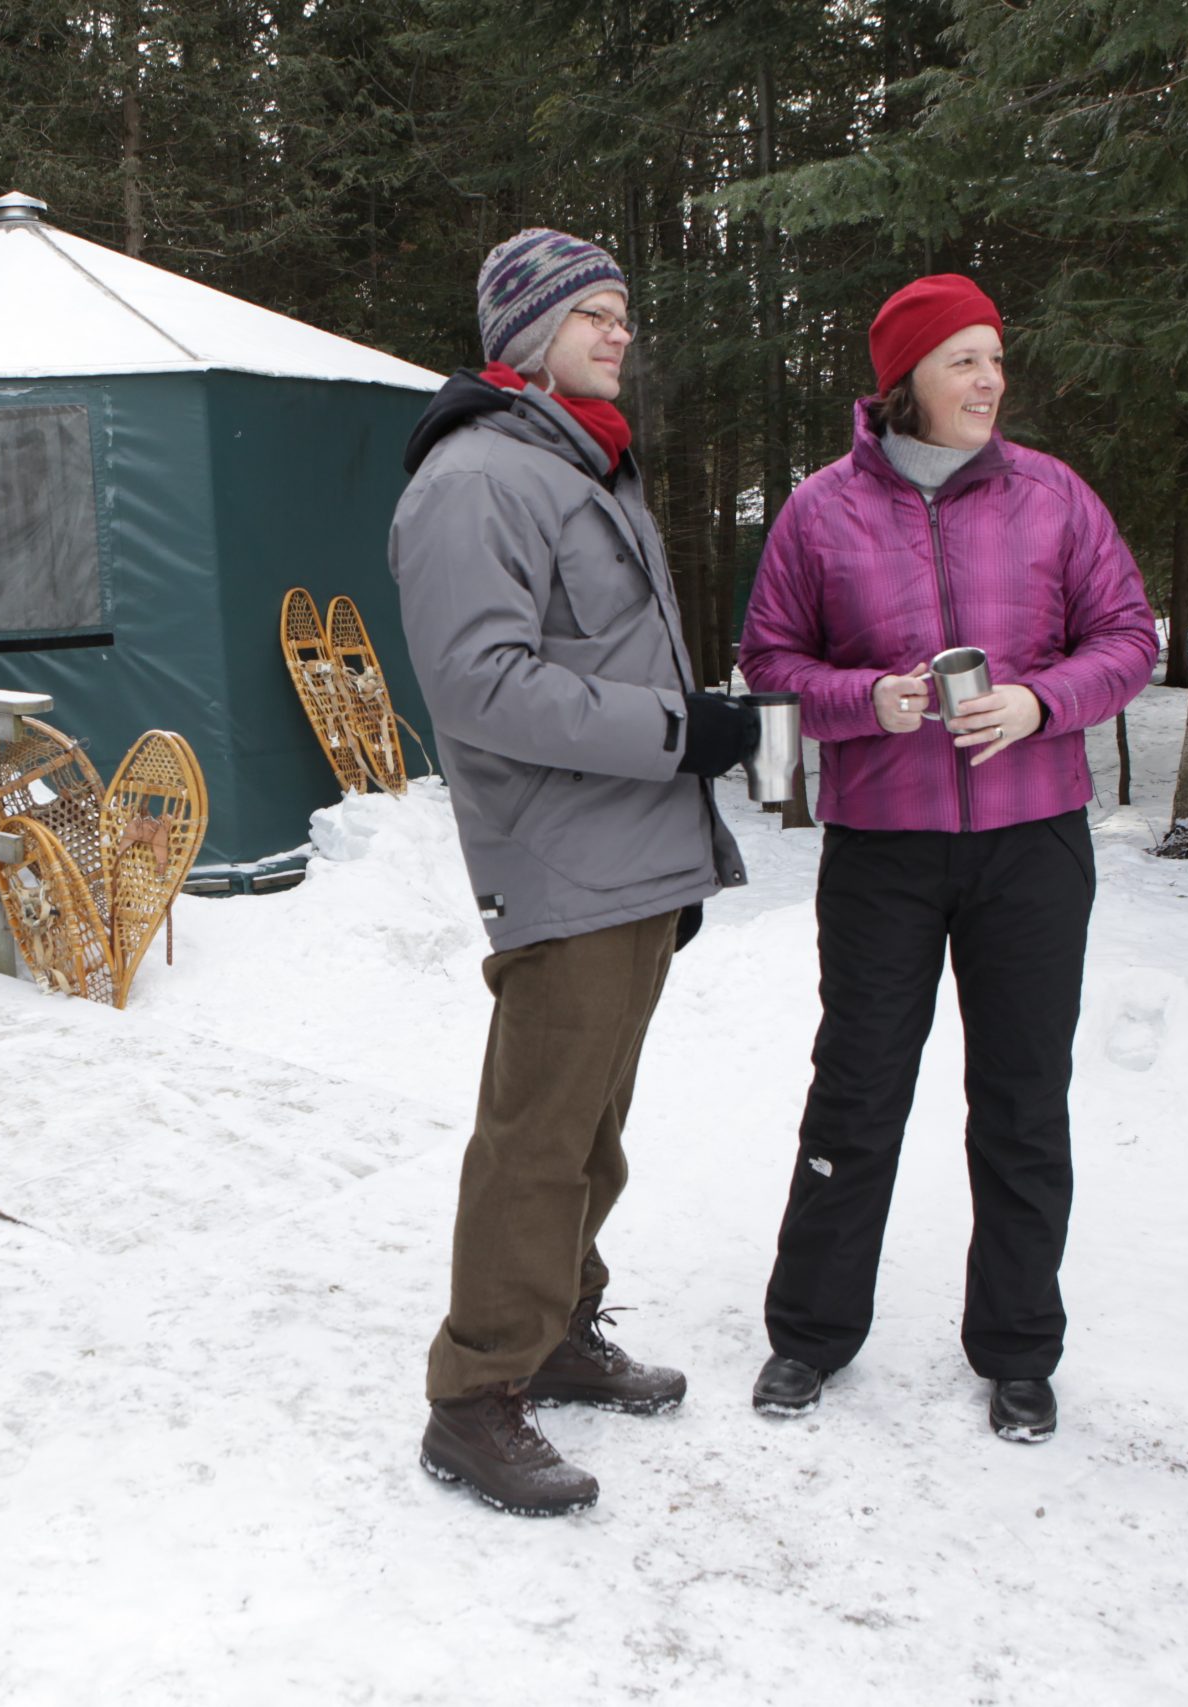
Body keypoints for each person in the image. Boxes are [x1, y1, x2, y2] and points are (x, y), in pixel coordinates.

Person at [736, 273, 1157, 1444]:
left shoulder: (1053, 498)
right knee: (857, 1092)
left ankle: (1019, 1348)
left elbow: (1129, 639)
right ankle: (810, 1335)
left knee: (1021, 1100)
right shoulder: (820, 512)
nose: (990, 379)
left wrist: (1039, 703)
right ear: (907, 378)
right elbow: (769, 672)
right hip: (882, 852)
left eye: (994, 357)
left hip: (1031, 845)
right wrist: (868, 699)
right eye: (964, 359)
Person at [389, 228, 755, 1516]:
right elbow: (482, 688)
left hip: (628, 859)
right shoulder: (477, 480)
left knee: (590, 1130)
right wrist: (682, 736)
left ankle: (555, 1330)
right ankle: (474, 1398)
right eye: (590, 313)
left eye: (621, 312)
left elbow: (599, 661)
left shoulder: (583, 465)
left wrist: (675, 838)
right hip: (559, 855)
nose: (619, 331)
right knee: (538, 1135)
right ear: (523, 333)